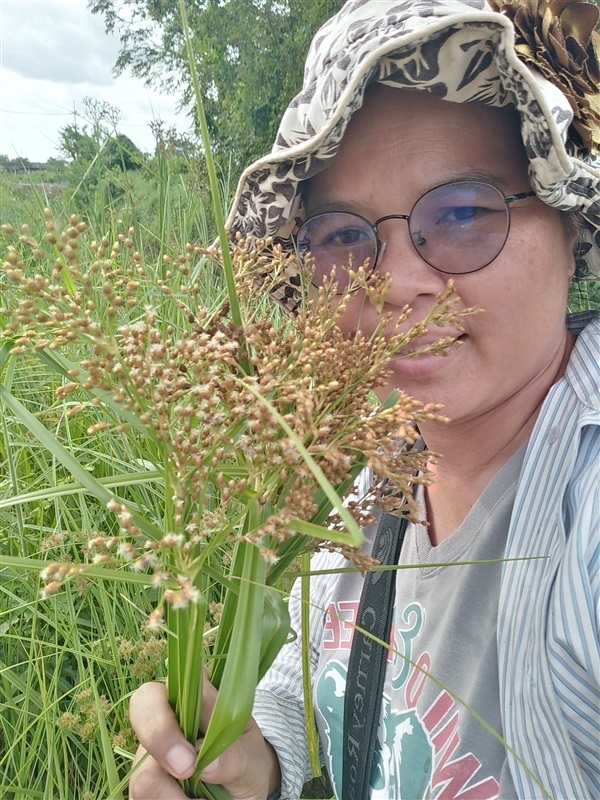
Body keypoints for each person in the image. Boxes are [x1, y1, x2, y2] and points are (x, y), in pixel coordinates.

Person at [129, 1, 600, 798]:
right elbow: (312, 679)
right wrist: (259, 759)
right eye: (344, 236)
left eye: (461, 213)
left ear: (569, 226)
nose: (391, 284)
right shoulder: (375, 476)